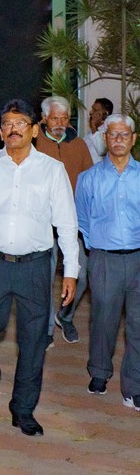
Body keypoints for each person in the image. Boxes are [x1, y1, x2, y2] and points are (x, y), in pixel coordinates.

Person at [0, 99, 78, 436]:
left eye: (21, 123)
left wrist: (71, 271)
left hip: (35, 267)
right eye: (8, 124)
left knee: (34, 340)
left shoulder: (52, 170)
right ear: (0, 132)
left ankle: (23, 409)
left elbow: (67, 225)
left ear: (34, 130)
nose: (13, 129)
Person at [74, 114, 140, 410]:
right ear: (105, 139)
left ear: (133, 139)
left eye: (124, 134)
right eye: (113, 134)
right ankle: (99, 373)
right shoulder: (89, 179)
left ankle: (134, 385)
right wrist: (97, 248)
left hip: (138, 258)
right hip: (103, 259)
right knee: (103, 320)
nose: (118, 140)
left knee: (138, 324)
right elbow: (82, 219)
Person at [34, 96, 92, 345]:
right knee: (45, 278)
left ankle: (65, 316)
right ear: (44, 118)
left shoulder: (79, 145)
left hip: (73, 222)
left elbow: (88, 183)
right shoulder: (34, 143)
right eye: (55, 118)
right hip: (43, 223)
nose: (60, 123)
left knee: (82, 274)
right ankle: (47, 330)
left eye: (65, 118)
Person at [83, 97, 113, 165]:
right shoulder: (90, 133)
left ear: (105, 114)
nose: (91, 112)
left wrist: (94, 127)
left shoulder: (109, 132)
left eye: (95, 110)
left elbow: (101, 150)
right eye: (92, 109)